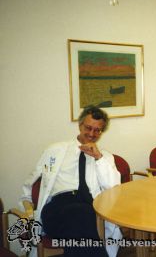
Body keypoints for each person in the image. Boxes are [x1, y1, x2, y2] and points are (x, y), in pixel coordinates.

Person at [20, 106, 122, 257]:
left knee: (81, 221)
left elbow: (114, 188)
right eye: (88, 128)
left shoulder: (105, 157)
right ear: (80, 125)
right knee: (81, 215)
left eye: (97, 130)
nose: (92, 134)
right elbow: (31, 182)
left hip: (89, 210)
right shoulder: (55, 150)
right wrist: (28, 209)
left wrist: (98, 158)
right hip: (57, 209)